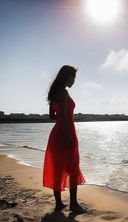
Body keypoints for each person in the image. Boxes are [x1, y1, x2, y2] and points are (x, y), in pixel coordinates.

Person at [43, 65, 87, 213]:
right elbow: (61, 116)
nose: (74, 81)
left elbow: (52, 116)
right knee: (73, 167)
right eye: (73, 77)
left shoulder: (55, 93)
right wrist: (68, 136)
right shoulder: (64, 93)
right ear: (67, 77)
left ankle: (59, 204)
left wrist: (64, 122)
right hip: (66, 133)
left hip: (58, 133)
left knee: (58, 168)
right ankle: (73, 204)